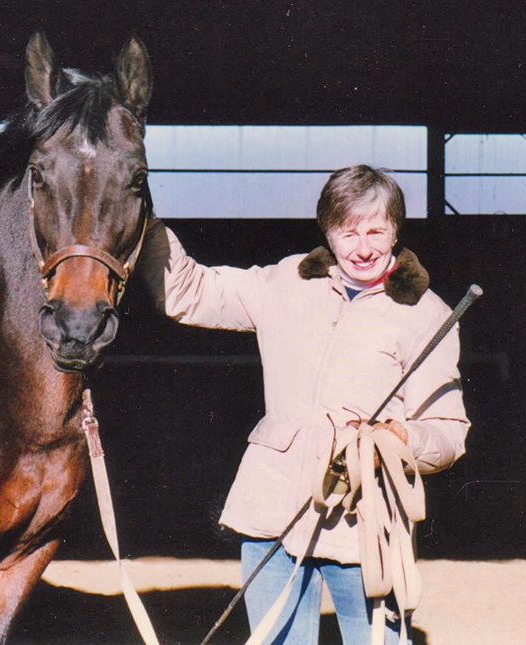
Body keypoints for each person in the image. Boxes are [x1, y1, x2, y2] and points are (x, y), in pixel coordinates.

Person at [137, 165, 469, 644]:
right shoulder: (285, 283)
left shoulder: (429, 315)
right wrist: (146, 226)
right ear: (328, 234)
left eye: (376, 230)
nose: (363, 247)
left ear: (396, 231)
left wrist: (403, 440)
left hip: (366, 522)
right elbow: (191, 292)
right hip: (272, 511)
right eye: (347, 231)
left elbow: (448, 432)